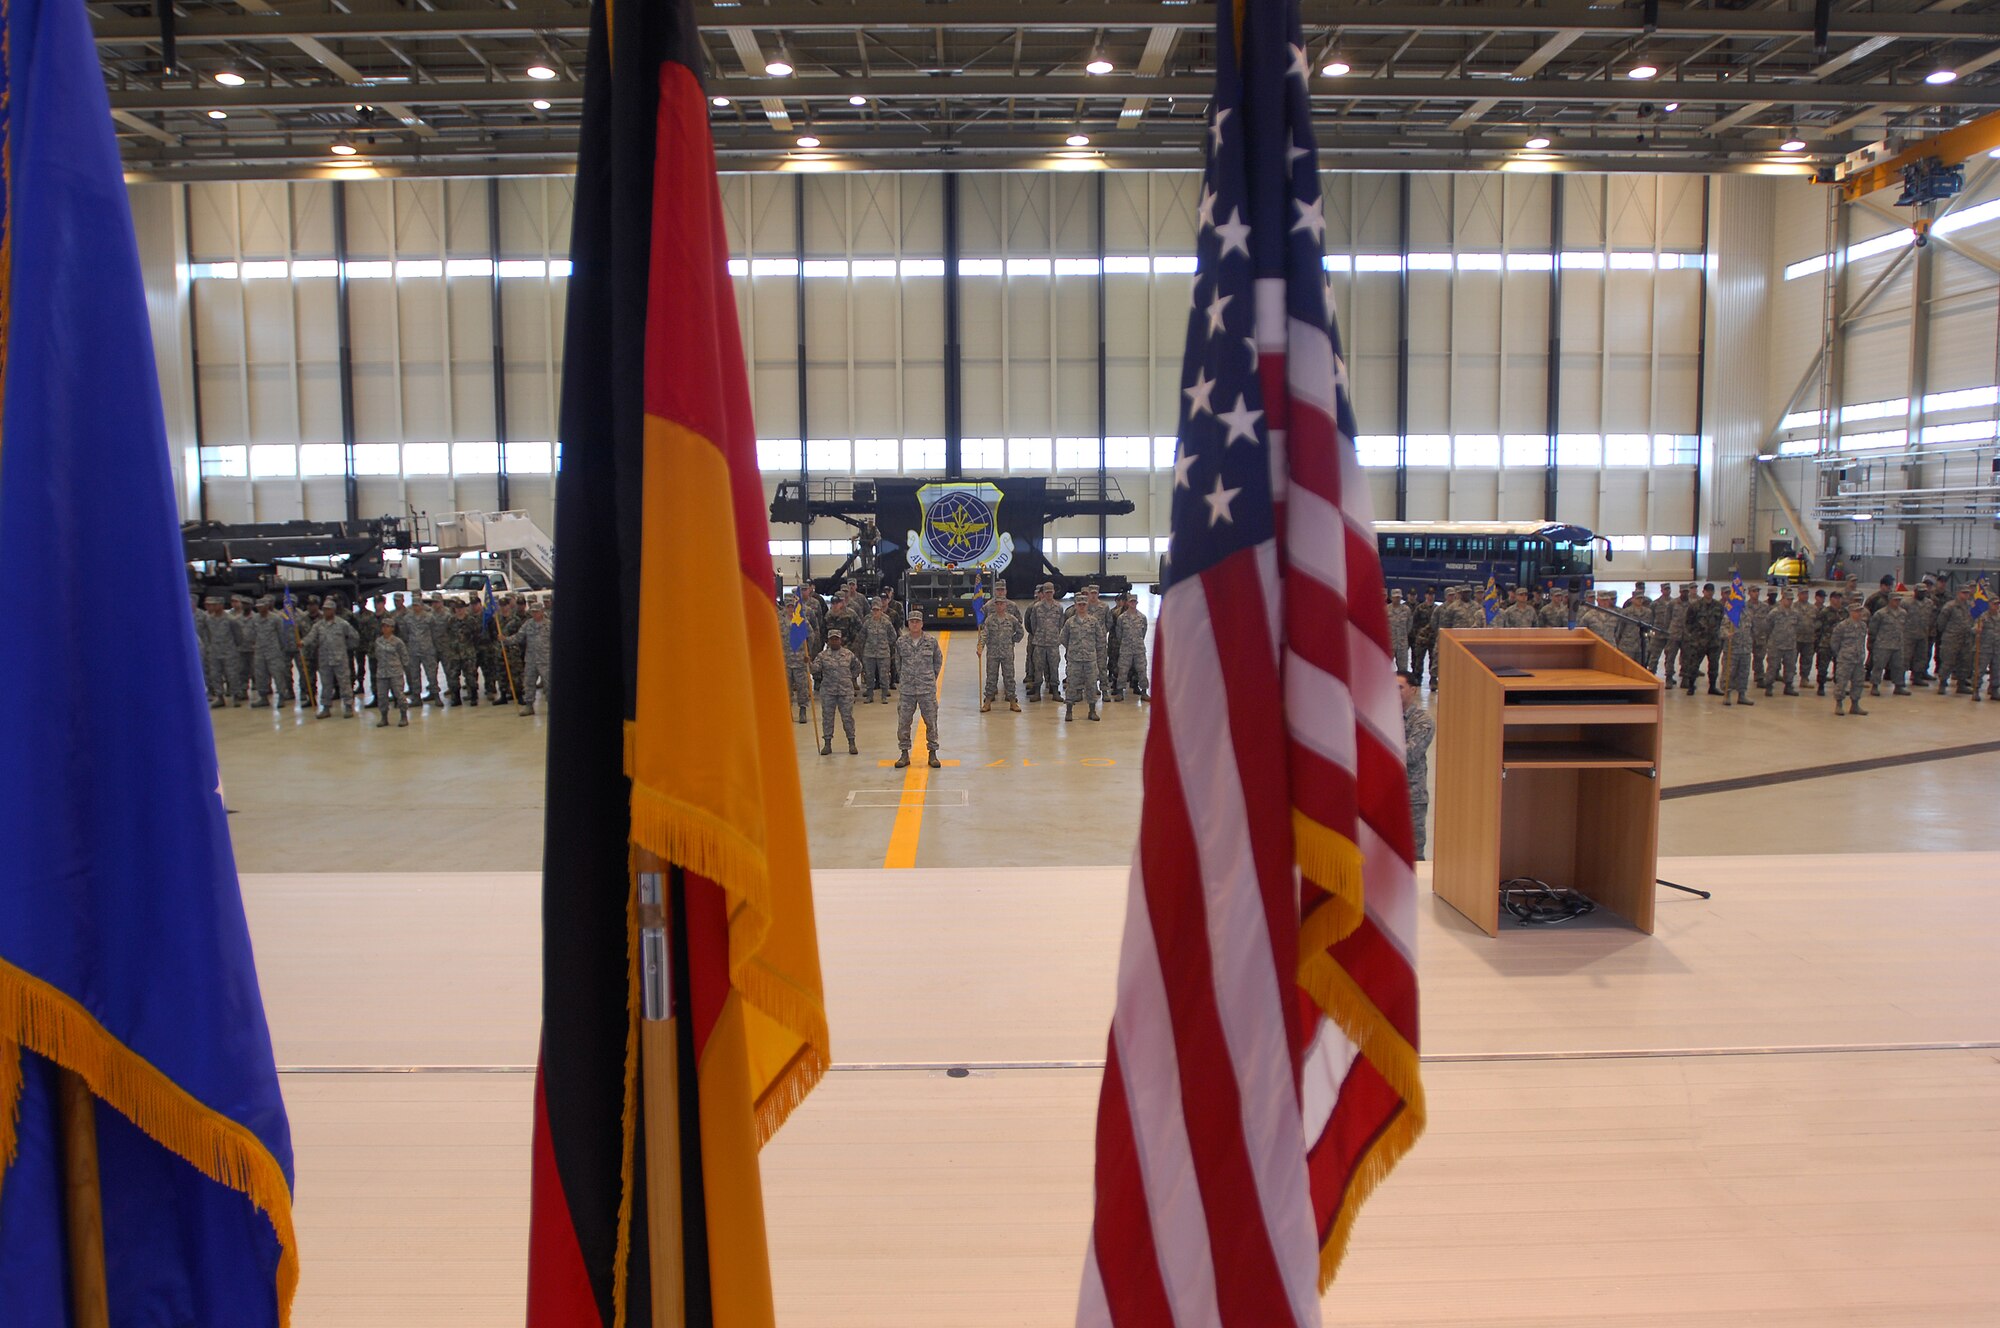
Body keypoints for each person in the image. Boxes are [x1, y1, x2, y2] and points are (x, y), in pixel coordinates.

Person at [893, 611, 943, 768]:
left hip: (926, 689)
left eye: (917, 621)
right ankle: (904, 754)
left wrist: (929, 678)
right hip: (907, 690)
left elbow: (937, 661)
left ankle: (933, 753)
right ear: (908, 623)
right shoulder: (901, 642)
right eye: (912, 621)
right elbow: (897, 663)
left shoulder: (931, 641)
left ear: (922, 624)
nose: (914, 624)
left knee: (931, 722)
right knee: (904, 722)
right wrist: (906, 678)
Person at [1398, 670, 1434, 861]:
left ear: (1413, 690)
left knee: (1413, 854)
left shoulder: (1422, 720)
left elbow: (1411, 753)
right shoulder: (1380, 716)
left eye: (1400, 687)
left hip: (1412, 796)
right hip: (1383, 793)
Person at [810, 628, 863, 755]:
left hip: (845, 691)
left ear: (840, 640)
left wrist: (850, 677)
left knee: (847, 718)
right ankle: (827, 744)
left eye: (836, 639)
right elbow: (814, 670)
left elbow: (858, 666)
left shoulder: (848, 654)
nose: (834, 641)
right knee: (828, 718)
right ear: (828, 641)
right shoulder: (822, 656)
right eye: (832, 639)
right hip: (828, 691)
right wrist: (808, 664)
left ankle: (851, 743)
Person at [304, 602, 360, 718]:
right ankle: (326, 707)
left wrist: (347, 648)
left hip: (340, 659)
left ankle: (348, 706)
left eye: (328, 610)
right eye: (324, 610)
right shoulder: (318, 625)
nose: (326, 612)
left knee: (344, 683)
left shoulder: (342, 624)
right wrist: (302, 643)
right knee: (326, 684)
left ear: (333, 610)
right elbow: (311, 636)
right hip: (325, 660)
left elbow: (354, 637)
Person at [979, 586, 1025, 713]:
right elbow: (984, 634)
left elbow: (1020, 632)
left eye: (1002, 604)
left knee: (1009, 677)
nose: (999, 606)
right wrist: (980, 646)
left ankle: (1012, 702)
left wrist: (1012, 641)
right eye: (997, 604)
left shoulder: (1011, 619)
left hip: (1007, 654)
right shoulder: (989, 620)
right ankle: (987, 702)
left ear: (1005, 605)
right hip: (993, 653)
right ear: (995, 605)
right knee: (991, 678)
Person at [1060, 597, 1101, 722]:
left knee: (1092, 685)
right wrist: (1073, 649)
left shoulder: (1093, 622)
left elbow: (1100, 639)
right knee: (1072, 684)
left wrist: (1090, 649)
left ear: (1087, 605)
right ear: (1076, 606)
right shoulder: (1070, 622)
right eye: (1079, 604)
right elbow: (1063, 638)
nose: (1082, 606)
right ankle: (1069, 711)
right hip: (1074, 660)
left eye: (1084, 604)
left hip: (1090, 659)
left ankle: (1092, 711)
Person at [248, 598, 292, 709]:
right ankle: (263, 697)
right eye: (258, 606)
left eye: (262, 606)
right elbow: (252, 634)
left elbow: (281, 635)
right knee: (260, 675)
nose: (259, 608)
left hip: (274, 651)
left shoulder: (276, 618)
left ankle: (281, 696)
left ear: (267, 606)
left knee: (278, 674)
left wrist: (281, 649)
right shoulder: (254, 619)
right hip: (259, 651)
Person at [1024, 583, 1063, 702]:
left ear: (1054, 592)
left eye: (1050, 592)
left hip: (1053, 643)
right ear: (1043, 593)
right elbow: (1033, 624)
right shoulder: (1037, 607)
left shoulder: (1059, 607)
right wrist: (1039, 635)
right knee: (1038, 667)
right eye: (1046, 592)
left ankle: (1055, 691)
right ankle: (1037, 692)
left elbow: (1060, 624)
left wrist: (1054, 635)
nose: (1049, 594)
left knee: (1054, 667)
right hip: (1040, 643)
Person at [1684, 583, 1725, 695]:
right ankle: (1691, 686)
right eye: (1707, 591)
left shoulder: (1718, 606)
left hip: (1713, 642)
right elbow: (1688, 622)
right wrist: (1693, 635)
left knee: (1713, 666)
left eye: (1711, 591)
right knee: (1693, 665)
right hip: (1698, 642)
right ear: (1703, 592)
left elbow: (1722, 621)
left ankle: (1712, 687)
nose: (1709, 593)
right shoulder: (1695, 606)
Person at [1831, 599, 1870, 716]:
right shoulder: (1842, 626)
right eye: (1857, 611)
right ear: (1851, 612)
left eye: (1860, 611)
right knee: (1842, 682)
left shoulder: (1863, 626)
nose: (1859, 614)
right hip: (1845, 659)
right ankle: (1839, 704)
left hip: (1858, 659)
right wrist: (1842, 654)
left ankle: (1855, 705)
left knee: (1858, 682)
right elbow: (1834, 642)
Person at [1934, 584, 1976, 695]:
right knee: (1948, 662)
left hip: (1966, 639)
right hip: (1951, 639)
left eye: (1967, 593)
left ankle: (1961, 685)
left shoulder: (1970, 606)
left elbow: (1972, 620)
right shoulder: (1950, 606)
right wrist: (1950, 633)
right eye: (1964, 593)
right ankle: (1942, 684)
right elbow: (1941, 623)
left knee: (1964, 662)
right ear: (1958, 593)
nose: (1966, 595)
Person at [371, 620, 413, 727]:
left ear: (392, 628)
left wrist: (403, 669)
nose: (385, 629)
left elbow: (404, 657)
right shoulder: (378, 641)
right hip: (382, 673)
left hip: (395, 672)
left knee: (399, 695)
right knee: (382, 696)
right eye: (383, 626)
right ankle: (384, 717)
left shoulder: (398, 642)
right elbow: (376, 655)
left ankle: (403, 716)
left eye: (388, 627)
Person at [1867, 591, 1909, 696]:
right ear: (1890, 601)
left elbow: (1905, 628)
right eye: (1895, 600)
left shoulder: (1903, 613)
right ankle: (1875, 686)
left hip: (1897, 644)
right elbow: (1873, 629)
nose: (1897, 602)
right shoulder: (1880, 614)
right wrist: (1872, 643)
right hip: (1883, 644)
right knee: (1878, 666)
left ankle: (1898, 686)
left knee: (1898, 666)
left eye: (1899, 600)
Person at [1112, 594, 1150, 702]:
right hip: (1126, 649)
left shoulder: (1142, 617)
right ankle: (1120, 692)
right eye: (1131, 602)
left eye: (1135, 602)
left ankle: (1144, 692)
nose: (1133, 604)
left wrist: (1137, 641)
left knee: (1142, 670)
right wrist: (1125, 643)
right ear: (1127, 603)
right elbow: (1119, 634)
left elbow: (1144, 632)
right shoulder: (1121, 618)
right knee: (1123, 670)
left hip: (1139, 649)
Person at [517, 600, 553, 715]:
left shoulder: (549, 625)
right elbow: (519, 637)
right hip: (531, 660)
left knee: (548, 684)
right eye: (533, 612)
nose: (534, 614)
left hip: (545, 660)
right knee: (529, 683)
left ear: (542, 612)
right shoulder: (528, 624)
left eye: (537, 612)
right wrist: (505, 640)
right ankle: (529, 705)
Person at [1764, 588, 1801, 696]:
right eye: (1787, 599)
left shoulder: (1795, 613)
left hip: (1790, 645)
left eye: (1791, 600)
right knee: (1772, 666)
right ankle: (1769, 686)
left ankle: (1788, 686)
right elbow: (1767, 627)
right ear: (1782, 599)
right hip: (1776, 645)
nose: (1789, 602)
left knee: (1790, 667)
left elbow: (1798, 627)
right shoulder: (1774, 613)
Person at [782, 593, 812, 723]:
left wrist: (808, 652)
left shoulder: (802, 622)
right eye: (788, 606)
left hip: (800, 660)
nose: (790, 609)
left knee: (802, 687)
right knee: (786, 688)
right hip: (785, 660)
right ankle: (787, 712)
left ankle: (802, 710)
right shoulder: (779, 622)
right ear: (785, 607)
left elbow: (811, 636)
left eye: (792, 606)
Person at [856, 602, 895, 703]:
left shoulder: (886, 623)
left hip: (883, 653)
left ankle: (884, 696)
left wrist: (885, 644)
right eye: (874, 610)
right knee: (869, 675)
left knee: (884, 675)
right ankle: (869, 695)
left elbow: (893, 636)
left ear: (881, 611)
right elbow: (862, 636)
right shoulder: (867, 623)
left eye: (877, 610)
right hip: (869, 653)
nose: (875, 612)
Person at [1722, 600, 1755, 706]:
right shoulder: (1730, 614)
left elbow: (1752, 630)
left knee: (1744, 673)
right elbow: (1722, 629)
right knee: (1729, 672)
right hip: (1733, 649)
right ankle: (1727, 694)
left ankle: (1742, 695)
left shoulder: (1748, 614)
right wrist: (1727, 634)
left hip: (1745, 649)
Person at [1386, 590, 1413, 670]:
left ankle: (1400, 682)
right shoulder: (1386, 610)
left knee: (1403, 668)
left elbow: (1409, 625)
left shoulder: (1406, 610)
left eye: (1399, 597)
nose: (1397, 599)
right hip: (1389, 644)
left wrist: (1403, 635)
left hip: (1402, 644)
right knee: (1386, 667)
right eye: (1395, 597)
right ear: (1391, 598)